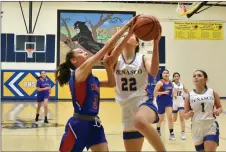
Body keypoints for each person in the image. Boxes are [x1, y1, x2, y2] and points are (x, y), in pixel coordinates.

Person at [56, 16, 137, 152]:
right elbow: (108, 47)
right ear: (74, 61)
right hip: (78, 125)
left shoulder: (92, 79)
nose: (85, 53)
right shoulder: (78, 73)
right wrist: (127, 28)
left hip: (94, 124)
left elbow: (112, 83)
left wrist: (107, 66)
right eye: (81, 52)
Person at [105, 22, 166, 151]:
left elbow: (154, 72)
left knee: (139, 121)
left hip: (144, 102)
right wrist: (127, 29)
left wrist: (155, 43)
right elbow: (109, 49)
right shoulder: (116, 59)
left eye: (132, 35)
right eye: (126, 36)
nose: (128, 36)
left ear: (137, 43)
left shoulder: (142, 59)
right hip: (126, 109)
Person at [184, 70, 223, 152]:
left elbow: (220, 107)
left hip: (210, 125)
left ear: (205, 79)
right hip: (196, 127)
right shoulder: (189, 95)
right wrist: (188, 114)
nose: (196, 77)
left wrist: (218, 111)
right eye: (194, 76)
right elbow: (185, 116)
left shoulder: (212, 92)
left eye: (199, 75)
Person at [154, 69, 175, 140]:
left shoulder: (171, 83)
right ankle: (158, 129)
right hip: (161, 102)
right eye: (164, 73)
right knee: (161, 118)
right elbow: (154, 93)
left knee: (170, 117)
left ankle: (171, 133)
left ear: (169, 75)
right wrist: (163, 93)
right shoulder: (160, 83)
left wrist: (174, 95)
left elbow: (171, 91)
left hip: (169, 101)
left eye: (167, 73)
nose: (166, 74)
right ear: (162, 75)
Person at [172, 72, 188, 140]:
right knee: (174, 120)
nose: (176, 77)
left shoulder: (182, 84)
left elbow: (186, 91)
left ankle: (183, 133)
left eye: (177, 76)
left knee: (182, 118)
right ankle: (171, 132)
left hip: (181, 102)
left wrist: (191, 95)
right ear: (173, 77)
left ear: (179, 77)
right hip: (174, 103)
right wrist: (173, 94)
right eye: (175, 76)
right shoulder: (171, 84)